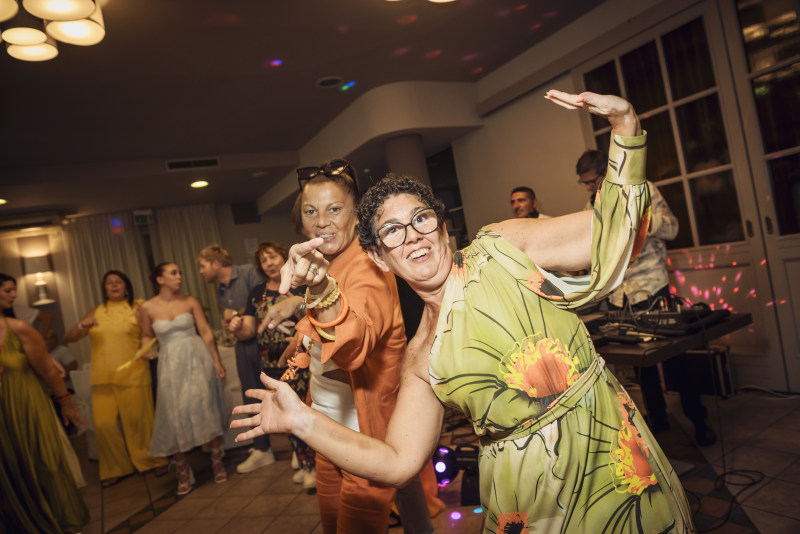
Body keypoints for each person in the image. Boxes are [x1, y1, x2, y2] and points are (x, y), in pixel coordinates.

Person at [232, 91, 694, 533]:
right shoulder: (421, 355)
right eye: (391, 230)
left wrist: (625, 126)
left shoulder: (501, 249)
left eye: (421, 218)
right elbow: (397, 462)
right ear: (378, 258)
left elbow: (616, 230)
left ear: (442, 228)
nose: (412, 235)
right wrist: (302, 421)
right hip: (530, 499)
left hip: (615, 464)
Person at [254, 159, 435, 534]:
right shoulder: (333, 261)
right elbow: (333, 306)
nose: (321, 221)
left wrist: (316, 291)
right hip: (328, 424)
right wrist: (301, 317)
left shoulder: (367, 267)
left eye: (334, 209)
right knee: (395, 492)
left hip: (362, 432)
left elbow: (353, 346)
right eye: (311, 211)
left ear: (356, 215)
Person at [576, 149, 715, 446]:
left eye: (590, 181)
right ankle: (659, 420)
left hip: (652, 288)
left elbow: (672, 227)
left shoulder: (643, 189)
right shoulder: (592, 204)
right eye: (583, 183)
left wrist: (640, 219)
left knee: (675, 361)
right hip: (619, 295)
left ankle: (698, 421)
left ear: (606, 172)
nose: (587, 188)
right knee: (642, 365)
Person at [0, 273, 90, 533]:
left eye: (14, 290)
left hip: (28, 405)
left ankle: (65, 521)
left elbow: (49, 371)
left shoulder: (19, 329)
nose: (14, 295)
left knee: (46, 463)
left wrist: (66, 404)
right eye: (7, 290)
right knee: (11, 469)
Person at [65, 270, 168, 487]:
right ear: (104, 289)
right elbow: (70, 337)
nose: (114, 285)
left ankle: (152, 460)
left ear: (126, 286)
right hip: (102, 377)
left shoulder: (137, 307)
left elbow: (154, 333)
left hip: (133, 374)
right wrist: (83, 325)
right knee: (104, 425)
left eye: (118, 282)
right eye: (109, 283)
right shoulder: (96, 311)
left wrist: (148, 348)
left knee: (138, 423)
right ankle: (115, 468)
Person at [227, 241, 317, 490]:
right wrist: (236, 326)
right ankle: (305, 462)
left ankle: (313, 466)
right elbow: (248, 330)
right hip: (270, 365)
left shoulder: (299, 286)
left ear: (284, 257)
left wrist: (297, 308)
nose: (268, 263)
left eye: (272, 257)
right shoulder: (257, 292)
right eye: (263, 260)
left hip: (299, 360)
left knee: (303, 412)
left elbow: (314, 318)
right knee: (286, 415)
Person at [137, 262, 228, 494]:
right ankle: (182, 471)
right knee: (174, 411)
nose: (179, 277)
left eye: (180, 272)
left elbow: (205, 331)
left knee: (204, 404)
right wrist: (145, 349)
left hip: (196, 357)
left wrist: (216, 360)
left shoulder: (190, 301)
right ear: (159, 279)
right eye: (173, 273)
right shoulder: (147, 307)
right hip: (170, 363)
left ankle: (217, 461)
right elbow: (146, 334)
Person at [197, 243, 271, 473]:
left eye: (202, 266)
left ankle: (302, 452)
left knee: (279, 391)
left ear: (215, 264)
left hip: (266, 341)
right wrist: (228, 322)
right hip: (243, 344)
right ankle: (262, 448)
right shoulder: (220, 290)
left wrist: (237, 314)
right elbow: (231, 319)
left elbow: (264, 301)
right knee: (251, 394)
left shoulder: (249, 272)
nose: (200, 271)